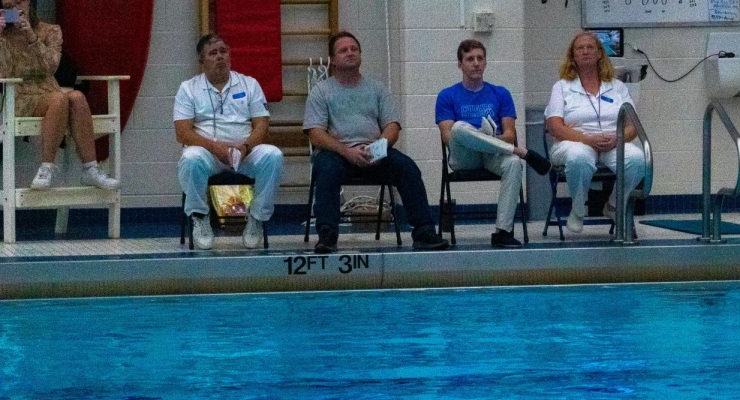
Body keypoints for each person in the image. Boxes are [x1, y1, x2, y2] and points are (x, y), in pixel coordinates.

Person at [305, 31, 449, 253]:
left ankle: (424, 232)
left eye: (354, 49)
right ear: (333, 60)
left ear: (361, 55)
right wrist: (347, 151)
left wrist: (377, 148)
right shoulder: (321, 91)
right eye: (343, 50)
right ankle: (327, 235)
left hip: (375, 152)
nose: (350, 53)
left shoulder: (377, 89)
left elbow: (392, 126)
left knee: (407, 167)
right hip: (338, 154)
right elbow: (316, 133)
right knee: (326, 167)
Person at [436, 39, 553, 249]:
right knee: (459, 128)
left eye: (480, 58)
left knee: (514, 164)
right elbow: (448, 136)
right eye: (470, 59)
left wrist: (489, 140)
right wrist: (474, 137)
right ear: (460, 64)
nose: (476, 63)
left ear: (486, 63)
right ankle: (521, 152)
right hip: (465, 156)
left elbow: (509, 134)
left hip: (493, 153)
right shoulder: (447, 95)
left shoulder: (501, 93)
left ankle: (503, 231)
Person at [0, 0, 117, 190]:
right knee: (60, 98)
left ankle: (90, 168)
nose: (15, 8)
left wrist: (32, 38)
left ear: (28, 1)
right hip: (17, 94)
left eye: (18, 2)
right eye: (8, 6)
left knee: (77, 97)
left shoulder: (50, 31)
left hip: (47, 88)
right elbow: (5, 72)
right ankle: (47, 166)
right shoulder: (4, 36)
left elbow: (51, 66)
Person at [174, 33, 283, 250]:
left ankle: (257, 217)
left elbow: (262, 124)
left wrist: (245, 147)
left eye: (223, 51)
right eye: (213, 53)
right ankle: (200, 215)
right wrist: (215, 147)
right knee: (190, 158)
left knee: (273, 155)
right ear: (201, 61)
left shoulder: (249, 84)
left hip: (244, 151)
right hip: (209, 153)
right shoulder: (188, 89)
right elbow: (182, 133)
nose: (220, 57)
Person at [545, 30, 646, 233]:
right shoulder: (562, 87)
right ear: (572, 56)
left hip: (612, 141)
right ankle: (578, 209)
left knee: (638, 159)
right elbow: (554, 127)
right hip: (574, 142)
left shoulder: (617, 87)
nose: (585, 52)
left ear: (600, 53)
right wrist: (586, 139)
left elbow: (633, 126)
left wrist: (617, 139)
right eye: (579, 48)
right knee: (579, 157)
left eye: (590, 47)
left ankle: (614, 206)